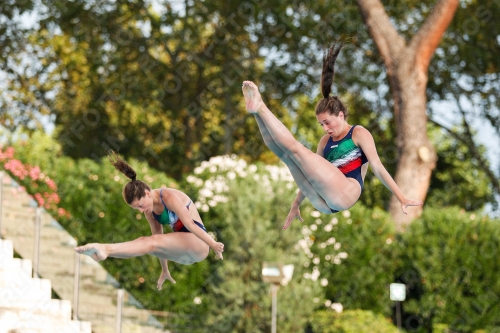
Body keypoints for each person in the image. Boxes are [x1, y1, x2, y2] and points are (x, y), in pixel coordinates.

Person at [241, 43, 422, 230]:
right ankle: (257, 113)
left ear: (341, 115)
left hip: (346, 193)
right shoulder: (325, 141)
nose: (325, 128)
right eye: (321, 124)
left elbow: (378, 167)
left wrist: (401, 197)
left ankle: (261, 107)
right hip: (324, 204)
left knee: (296, 149)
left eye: (328, 122)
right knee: (286, 156)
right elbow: (310, 172)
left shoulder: (358, 133)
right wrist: (295, 205)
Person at [75, 152, 224, 290]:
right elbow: (157, 239)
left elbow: (190, 224)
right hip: (186, 255)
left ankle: (106, 249)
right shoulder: (149, 210)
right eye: (136, 208)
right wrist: (164, 269)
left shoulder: (169, 197)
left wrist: (212, 243)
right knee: (148, 245)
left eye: (140, 205)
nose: (141, 210)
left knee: (148, 242)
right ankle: (105, 253)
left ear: (147, 193)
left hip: (200, 244)